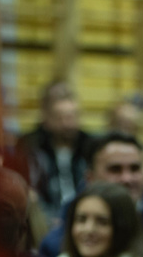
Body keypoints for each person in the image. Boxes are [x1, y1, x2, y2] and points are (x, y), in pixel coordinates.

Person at [9, 80, 93, 221]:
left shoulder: (89, 145)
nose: (68, 124)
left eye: (72, 117)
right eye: (61, 118)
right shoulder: (30, 145)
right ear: (47, 119)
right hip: (44, 216)